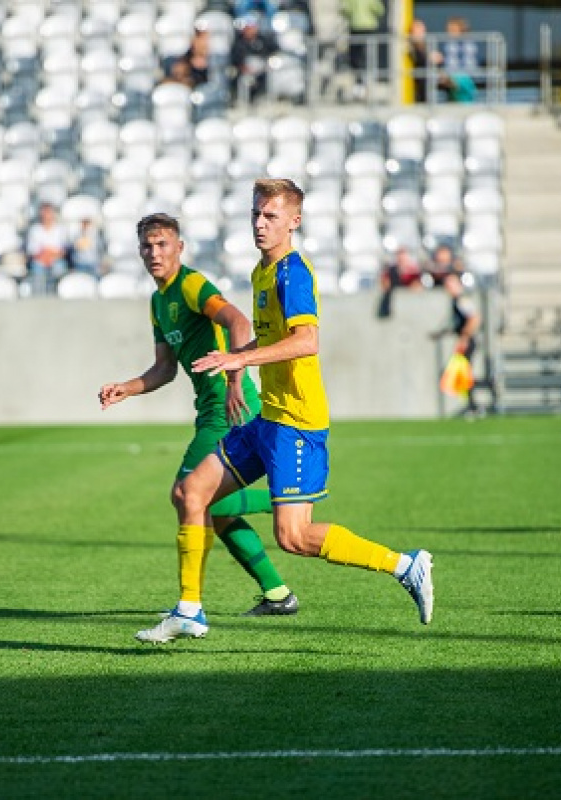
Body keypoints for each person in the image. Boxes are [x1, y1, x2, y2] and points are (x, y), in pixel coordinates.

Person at [135, 179, 434, 644]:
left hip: (296, 421)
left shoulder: (292, 273)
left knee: (294, 538)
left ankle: (403, 565)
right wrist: (238, 359)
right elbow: (272, 341)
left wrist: (239, 359)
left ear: (294, 221)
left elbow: (307, 341)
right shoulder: (261, 271)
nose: (259, 223)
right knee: (191, 493)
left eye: (270, 216)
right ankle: (189, 611)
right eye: (256, 214)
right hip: (266, 419)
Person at [100, 213, 298, 617]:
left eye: (162, 244)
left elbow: (239, 322)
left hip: (230, 407)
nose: (154, 253)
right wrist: (126, 387)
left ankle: (283, 502)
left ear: (179, 248)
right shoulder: (159, 302)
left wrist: (232, 379)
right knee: (210, 506)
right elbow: (164, 369)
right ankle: (277, 592)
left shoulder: (190, 285)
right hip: (210, 411)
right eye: (147, 246)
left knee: (187, 493)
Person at [433, 272, 481, 417]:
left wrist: (464, 338)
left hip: (466, 342)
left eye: (450, 284)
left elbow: (474, 318)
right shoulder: (456, 301)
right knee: (462, 375)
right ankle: (470, 405)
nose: (448, 288)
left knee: (463, 375)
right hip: (463, 340)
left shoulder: (462, 300)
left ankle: (473, 406)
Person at [230, 14, 277, 103]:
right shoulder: (239, 43)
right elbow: (235, 60)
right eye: (247, 28)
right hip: (245, 72)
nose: (250, 30)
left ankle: (267, 100)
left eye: (252, 27)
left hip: (262, 71)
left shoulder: (263, 40)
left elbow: (272, 52)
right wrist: (244, 68)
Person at [26, 203, 70, 294]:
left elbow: (63, 250)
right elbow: (32, 250)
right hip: (40, 260)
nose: (46, 216)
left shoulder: (60, 229)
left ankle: (56, 295)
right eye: (44, 213)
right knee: (37, 267)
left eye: (48, 213)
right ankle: (38, 295)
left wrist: (51, 255)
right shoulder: (35, 230)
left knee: (59, 268)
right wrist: (45, 255)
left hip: (56, 259)